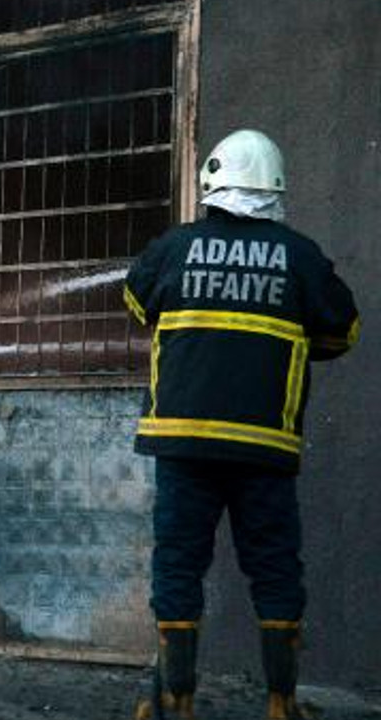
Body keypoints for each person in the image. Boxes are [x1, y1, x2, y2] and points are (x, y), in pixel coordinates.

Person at [124, 130, 359, 720]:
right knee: (275, 567)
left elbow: (136, 304)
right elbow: (343, 331)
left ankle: (176, 701)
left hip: (184, 443)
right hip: (264, 449)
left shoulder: (176, 247)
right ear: (275, 188)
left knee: (178, 565)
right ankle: (281, 704)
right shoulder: (301, 257)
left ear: (212, 183)